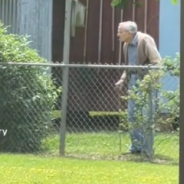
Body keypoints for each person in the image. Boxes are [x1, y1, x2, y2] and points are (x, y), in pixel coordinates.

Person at [115, 21, 161, 157]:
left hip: (147, 83)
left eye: (120, 32)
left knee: (147, 116)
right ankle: (136, 147)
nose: (118, 35)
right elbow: (130, 65)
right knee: (132, 116)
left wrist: (149, 82)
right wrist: (123, 79)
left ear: (130, 33)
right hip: (133, 82)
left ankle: (147, 149)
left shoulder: (145, 40)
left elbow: (157, 62)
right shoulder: (126, 45)